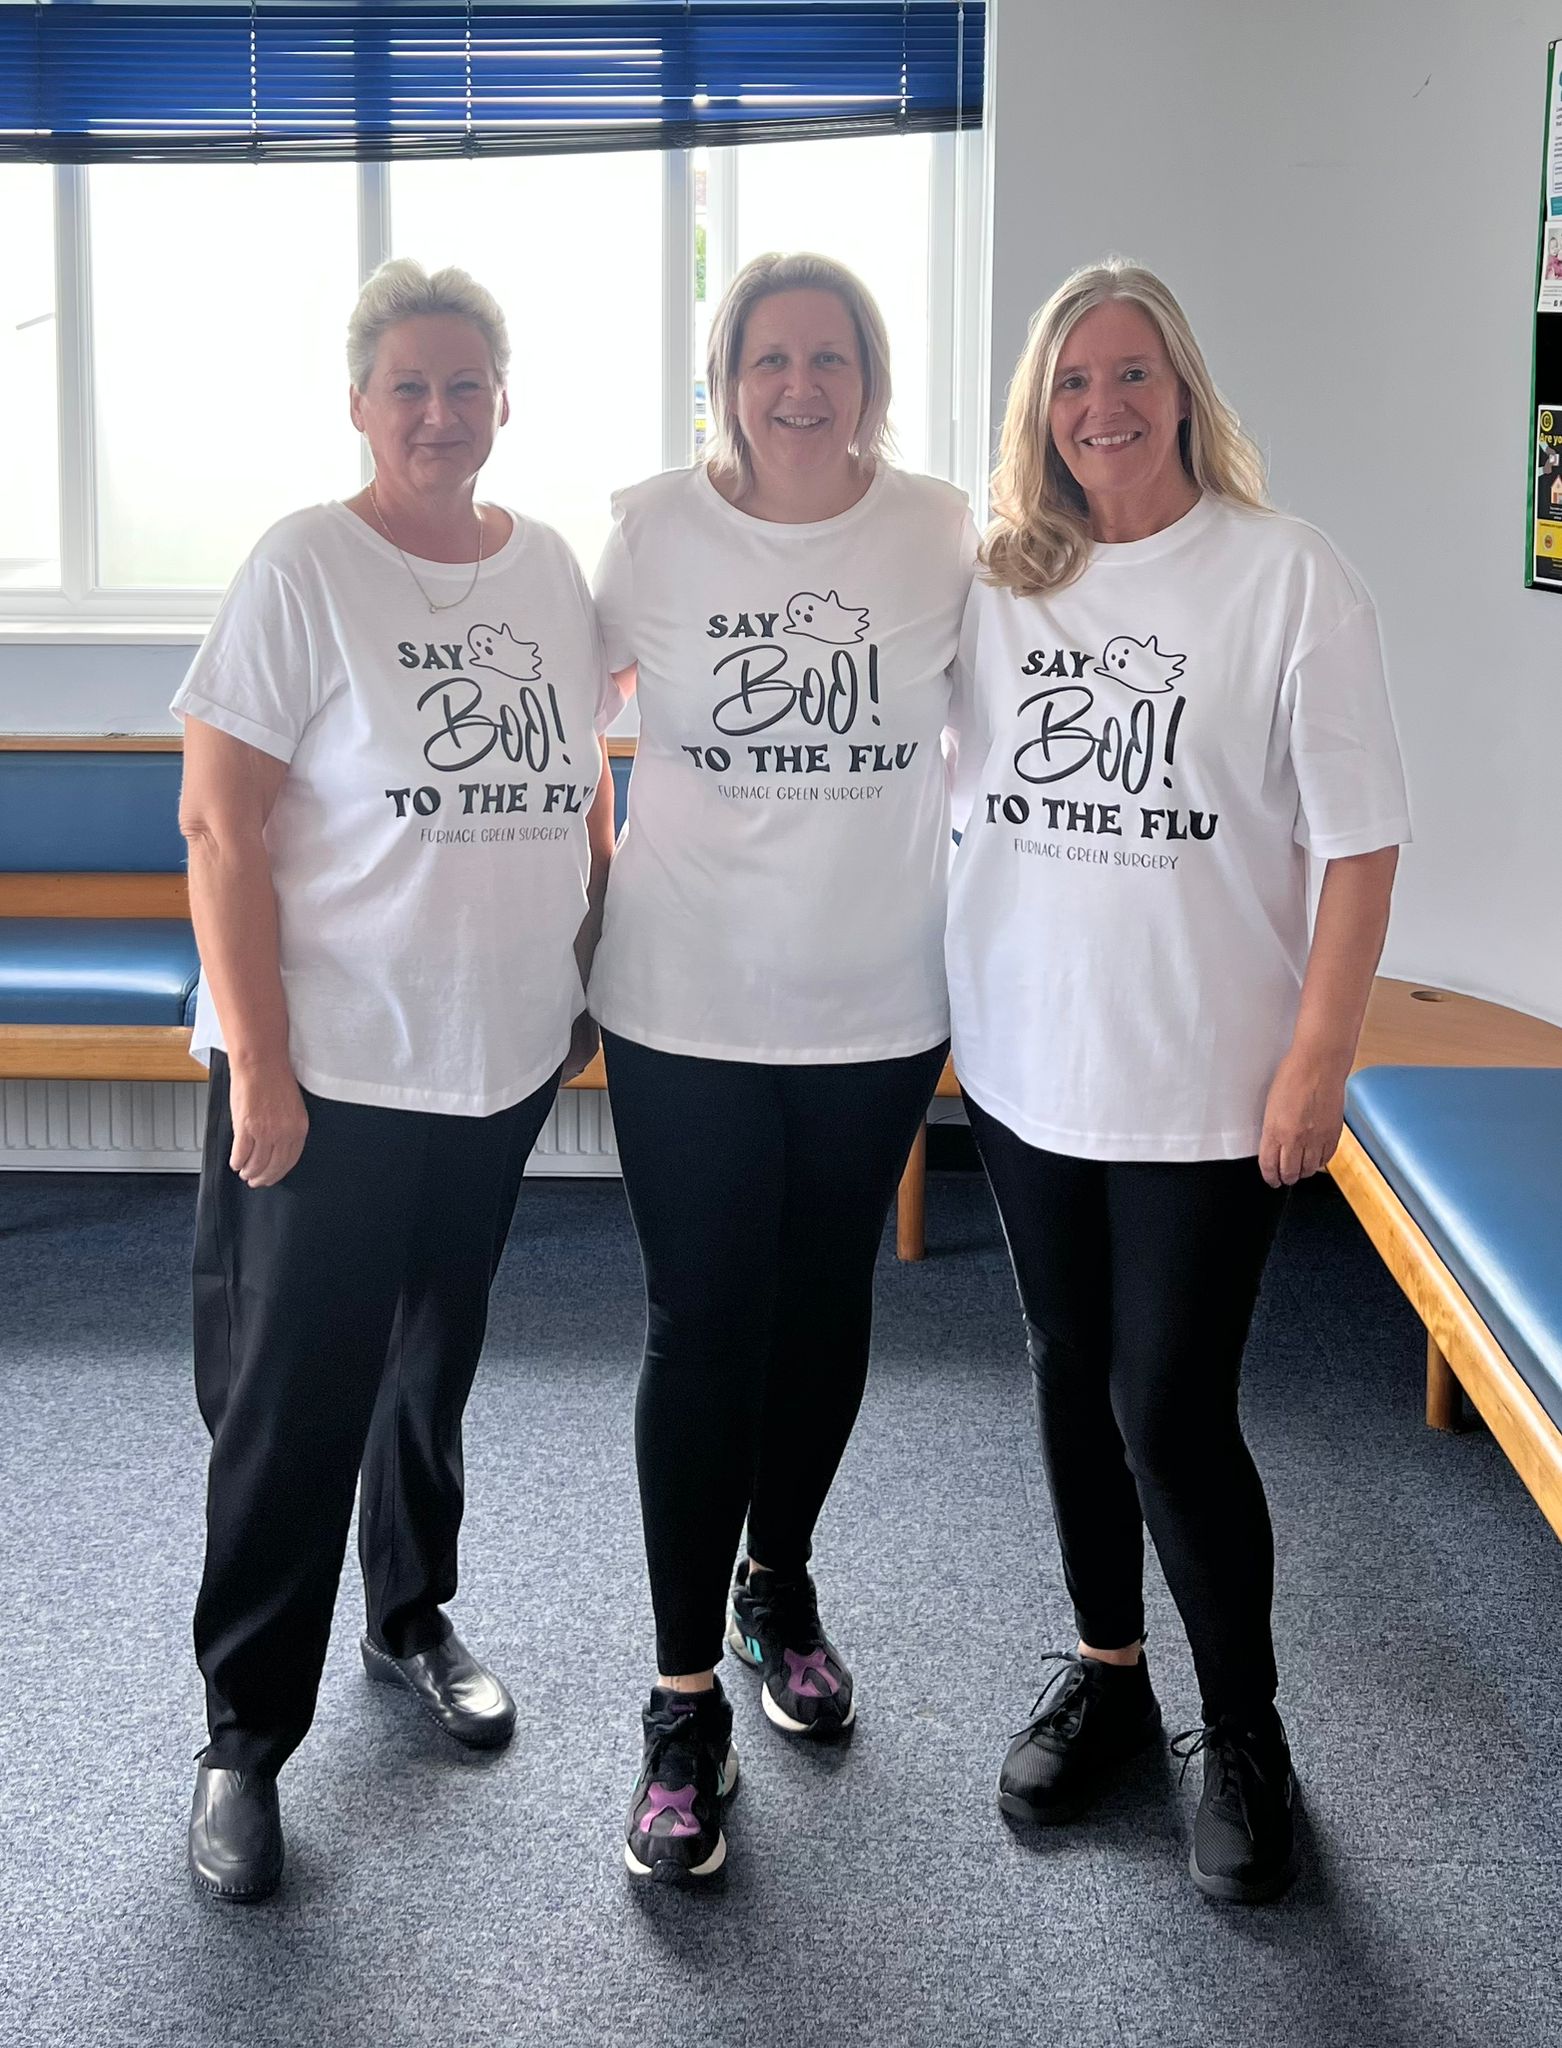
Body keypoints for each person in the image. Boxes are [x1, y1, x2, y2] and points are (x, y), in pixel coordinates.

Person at [945, 259, 1410, 1904]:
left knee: (1168, 1402)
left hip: (1207, 1079)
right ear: (1039, 414)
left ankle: (1245, 1727)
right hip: (1021, 1062)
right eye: (1071, 384)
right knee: (1069, 1372)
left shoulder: (1285, 579)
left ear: (1184, 389)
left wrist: (1317, 1058)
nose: (1101, 409)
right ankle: (1111, 1677)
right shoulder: (999, 581)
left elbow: (1358, 848)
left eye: (1131, 374)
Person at [172, 259, 618, 1903]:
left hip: (492, 1058)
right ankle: (240, 1738)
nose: (438, 415)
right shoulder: (305, 565)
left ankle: (411, 1615)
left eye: (465, 385)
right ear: (360, 406)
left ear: (506, 399)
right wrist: (264, 1068)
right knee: (294, 1405)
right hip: (330, 1070)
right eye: (407, 388)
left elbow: (581, 785)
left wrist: (583, 966)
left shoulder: (550, 568)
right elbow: (220, 828)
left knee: (433, 1369)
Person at [591, 252, 976, 1883]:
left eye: (829, 357)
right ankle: (682, 1709)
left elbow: (1021, 727)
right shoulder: (652, 528)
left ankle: (781, 1586)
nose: (799, 385)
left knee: (824, 1306)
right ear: (724, 378)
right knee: (700, 1323)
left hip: (874, 1000)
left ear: (870, 377)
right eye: (768, 358)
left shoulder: (946, 531)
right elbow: (535, 711)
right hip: (679, 996)